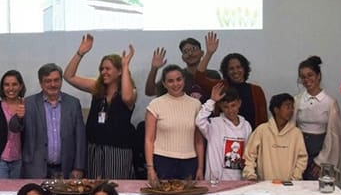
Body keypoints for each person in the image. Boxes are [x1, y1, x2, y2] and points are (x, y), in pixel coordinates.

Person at [64, 34, 137, 179]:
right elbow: (68, 76)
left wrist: (125, 65)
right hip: (94, 149)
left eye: (108, 69)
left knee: (116, 189)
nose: (104, 72)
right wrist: (80, 53)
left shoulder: (130, 91)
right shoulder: (96, 87)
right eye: (102, 69)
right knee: (95, 189)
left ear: (119, 71)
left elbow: (127, 98)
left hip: (118, 151)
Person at [12, 64, 87, 179]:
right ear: (41, 83)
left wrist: (79, 167)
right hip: (35, 169)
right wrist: (19, 117)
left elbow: (80, 137)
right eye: (48, 81)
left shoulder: (73, 103)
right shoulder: (29, 103)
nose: (53, 84)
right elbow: (14, 128)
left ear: (61, 81)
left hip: (66, 169)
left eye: (56, 80)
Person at [145, 65, 204, 183]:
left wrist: (200, 168)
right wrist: (150, 168)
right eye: (170, 81)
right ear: (164, 83)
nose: (175, 84)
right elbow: (149, 140)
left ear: (184, 80)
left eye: (178, 79)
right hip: (162, 162)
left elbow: (199, 141)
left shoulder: (196, 105)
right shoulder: (155, 104)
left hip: (189, 162)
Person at [194, 32, 268, 128]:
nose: (235, 71)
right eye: (231, 68)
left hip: (250, 139)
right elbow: (199, 78)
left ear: (244, 69)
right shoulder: (221, 87)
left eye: (239, 67)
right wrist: (209, 53)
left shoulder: (256, 91)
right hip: (223, 138)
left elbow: (263, 121)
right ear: (226, 71)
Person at [293, 56, 341, 180]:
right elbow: (291, 128)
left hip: (320, 149)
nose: (307, 80)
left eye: (310, 75)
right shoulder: (297, 100)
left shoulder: (330, 102)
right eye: (303, 77)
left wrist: (321, 160)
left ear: (318, 76)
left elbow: (333, 135)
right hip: (299, 151)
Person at [242, 94, 308, 181]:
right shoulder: (262, 130)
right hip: (265, 184)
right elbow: (249, 155)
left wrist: (295, 177)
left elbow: (302, 158)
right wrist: (250, 175)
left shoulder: (296, 133)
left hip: (290, 185)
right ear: (276, 110)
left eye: (292, 107)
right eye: (287, 107)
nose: (291, 110)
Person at [196, 82, 252, 181]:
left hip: (238, 180)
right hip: (215, 180)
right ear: (220, 107)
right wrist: (212, 101)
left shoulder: (246, 126)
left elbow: (248, 153)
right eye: (226, 107)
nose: (230, 110)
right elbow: (199, 120)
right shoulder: (214, 124)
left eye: (233, 105)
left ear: (239, 103)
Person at [144, 37, 220, 102]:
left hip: (208, 117)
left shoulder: (213, 75)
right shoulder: (177, 76)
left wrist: (209, 53)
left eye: (193, 49)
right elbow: (150, 92)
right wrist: (154, 68)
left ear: (202, 53)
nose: (190, 53)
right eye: (185, 51)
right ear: (183, 58)